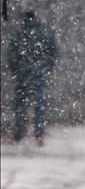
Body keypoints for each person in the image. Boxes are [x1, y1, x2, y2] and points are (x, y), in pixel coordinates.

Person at [8, 11, 59, 146]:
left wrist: (16, 69)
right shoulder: (45, 34)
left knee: (22, 106)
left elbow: (12, 55)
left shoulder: (20, 35)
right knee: (40, 104)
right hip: (40, 73)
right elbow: (54, 52)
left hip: (23, 74)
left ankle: (19, 134)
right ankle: (39, 133)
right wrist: (47, 66)